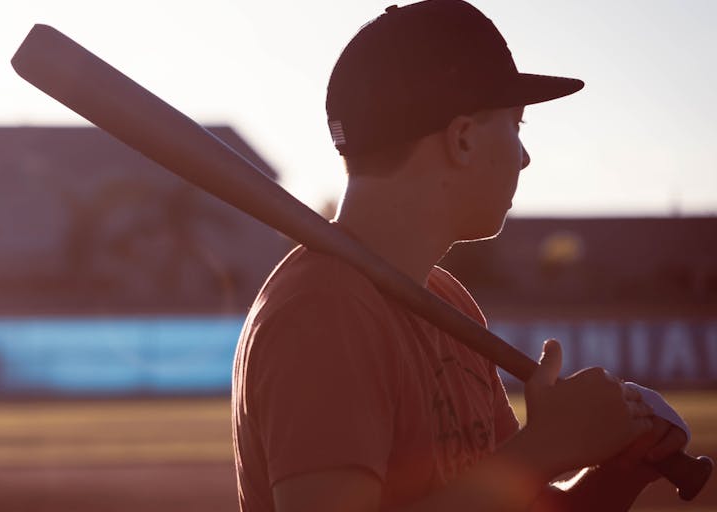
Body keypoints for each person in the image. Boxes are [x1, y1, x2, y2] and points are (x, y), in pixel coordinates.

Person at [231, 1, 687, 511]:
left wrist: (612, 478)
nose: (525, 155)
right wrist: (545, 447)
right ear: (463, 139)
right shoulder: (324, 310)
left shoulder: (447, 301)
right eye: (517, 126)